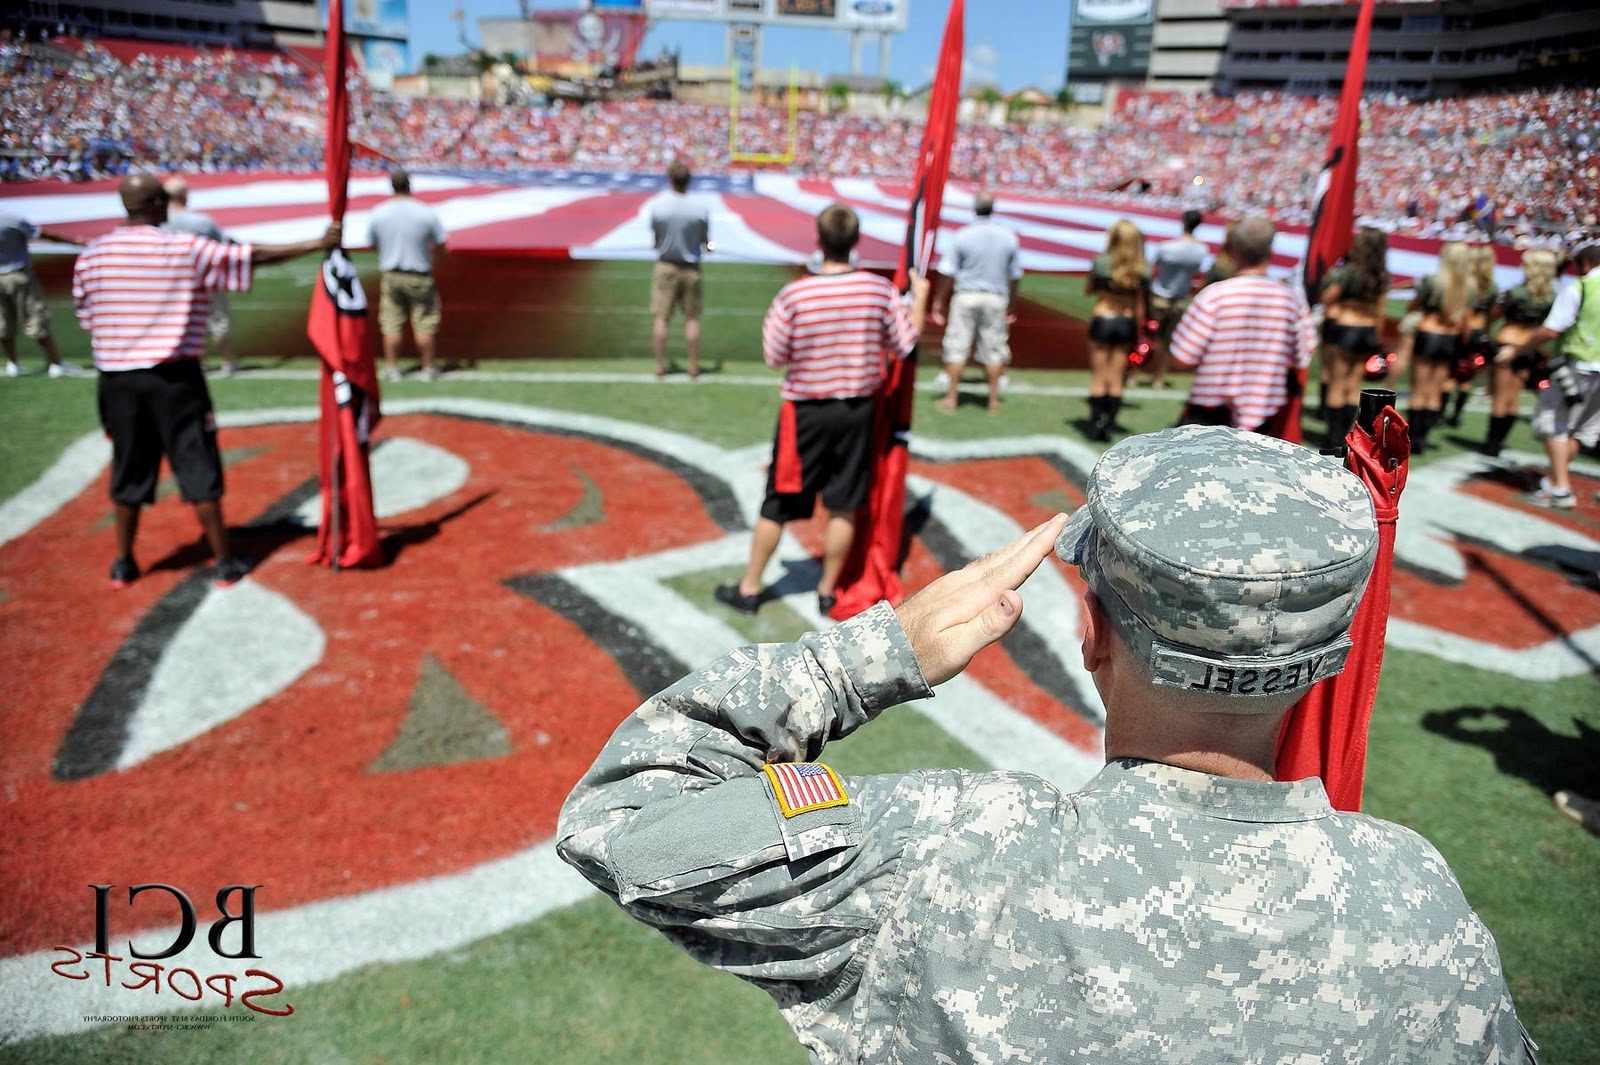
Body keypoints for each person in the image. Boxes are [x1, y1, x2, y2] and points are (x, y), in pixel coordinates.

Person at [559, 425, 1535, 1064]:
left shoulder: (948, 851)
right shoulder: (1414, 899)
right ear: (1327, 660)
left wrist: (871, 657)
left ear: (1092, 633)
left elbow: (625, 813)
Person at [73, 172, 339, 588]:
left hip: (116, 380)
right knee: (197, 467)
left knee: (128, 469)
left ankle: (123, 562)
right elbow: (251, 257)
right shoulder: (183, 249)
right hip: (175, 379)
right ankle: (224, 560)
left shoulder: (92, 254)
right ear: (159, 203)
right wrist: (315, 244)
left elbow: (87, 318)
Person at [714, 204, 928, 617]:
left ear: (818, 239)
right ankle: (828, 591)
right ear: (855, 241)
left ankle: (750, 587)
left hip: (806, 414)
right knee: (844, 503)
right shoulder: (877, 290)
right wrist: (918, 301)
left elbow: (774, 355)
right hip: (858, 412)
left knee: (778, 502)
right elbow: (904, 345)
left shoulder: (794, 294)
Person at [1170, 215, 1316, 438]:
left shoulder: (1214, 297)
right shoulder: (1291, 301)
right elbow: (1302, 357)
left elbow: (1183, 357)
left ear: (1233, 250)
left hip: (1210, 414)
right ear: (1269, 250)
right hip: (1266, 415)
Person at [1503, 241, 1600, 509]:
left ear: (1585, 264)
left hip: (1579, 364)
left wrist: (1516, 351)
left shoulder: (1581, 287)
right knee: (1578, 429)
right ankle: (1556, 480)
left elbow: (1550, 330)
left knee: (1554, 422)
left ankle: (1560, 488)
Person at [929, 191, 1021, 414]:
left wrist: (939, 300)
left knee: (957, 346)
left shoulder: (963, 235)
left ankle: (951, 398)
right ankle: (993, 400)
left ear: (975, 208)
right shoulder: (1008, 236)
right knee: (994, 348)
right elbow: (1015, 275)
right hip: (995, 297)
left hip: (966, 295)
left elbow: (948, 271)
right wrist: (1012, 301)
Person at [369, 168, 446, 382]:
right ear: (409, 185)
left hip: (391, 273)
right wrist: (434, 261)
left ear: (392, 186)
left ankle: (392, 369)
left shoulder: (379, 212)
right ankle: (428, 368)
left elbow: (373, 242)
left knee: (391, 322)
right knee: (424, 321)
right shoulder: (424, 212)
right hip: (419, 274)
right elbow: (441, 244)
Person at [1318, 227, 1390, 448]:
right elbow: (1380, 311)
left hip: (1345, 329)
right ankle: (1346, 436)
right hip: (1367, 330)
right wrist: (1377, 340)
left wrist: (1343, 303)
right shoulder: (1381, 276)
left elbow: (1327, 297)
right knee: (1353, 385)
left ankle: (1332, 438)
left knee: (1337, 385)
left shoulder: (1349, 272)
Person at [1483, 248, 1558, 456]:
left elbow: (1492, 317)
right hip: (1529, 347)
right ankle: (1500, 442)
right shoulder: (1552, 296)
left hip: (1507, 342)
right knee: (1513, 399)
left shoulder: (1515, 292)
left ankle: (1491, 444)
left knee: (1499, 398)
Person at [1404, 242, 1478, 452]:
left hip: (1428, 333)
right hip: (1451, 337)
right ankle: (1423, 438)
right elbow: (1467, 320)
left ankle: (1413, 438)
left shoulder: (1433, 281)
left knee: (1419, 390)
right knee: (1435, 392)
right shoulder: (1469, 286)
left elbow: (1413, 306)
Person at [162, 175, 237, 376]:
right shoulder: (202, 221)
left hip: (175, 281)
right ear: (185, 195)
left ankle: (200, 362)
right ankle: (227, 361)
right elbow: (223, 245)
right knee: (218, 321)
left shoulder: (161, 223)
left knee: (188, 324)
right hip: (207, 278)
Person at [1082, 219, 1148, 441]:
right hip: (1126, 321)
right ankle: (1108, 426)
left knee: (1099, 377)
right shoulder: (1141, 267)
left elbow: (1089, 290)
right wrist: (1139, 332)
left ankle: (1094, 425)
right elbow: (1141, 304)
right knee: (1117, 377)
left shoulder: (1101, 262)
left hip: (1103, 316)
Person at [1, 207, 84, 378]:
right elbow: (43, 234)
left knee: (3, 322)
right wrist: (74, 241)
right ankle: (55, 364)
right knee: (37, 317)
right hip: (18, 276)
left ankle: (13, 364)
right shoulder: (11, 219)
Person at [649, 160, 710, 380]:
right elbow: (706, 242)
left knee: (662, 318)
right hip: (691, 268)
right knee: (691, 318)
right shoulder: (699, 209)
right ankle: (693, 366)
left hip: (666, 266)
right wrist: (710, 247)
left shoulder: (659, 207)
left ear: (670, 179)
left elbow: (655, 241)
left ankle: (660, 366)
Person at [1144, 207, 1208, 389]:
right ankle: (1158, 378)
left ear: (1183, 222)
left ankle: (1134, 374)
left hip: (1159, 297)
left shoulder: (1167, 247)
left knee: (1148, 337)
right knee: (1167, 340)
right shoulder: (1201, 250)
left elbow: (1150, 271)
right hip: (1180, 299)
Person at [1443, 243, 1502, 428]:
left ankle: (1441, 412)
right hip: (1480, 331)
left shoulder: (1467, 282)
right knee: (1467, 376)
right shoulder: (1492, 286)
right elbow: (1493, 314)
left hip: (1462, 329)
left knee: (1451, 373)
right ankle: (1456, 415)